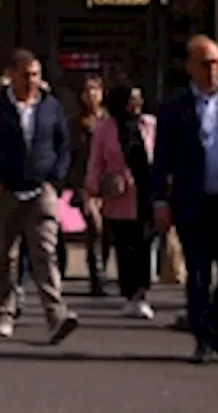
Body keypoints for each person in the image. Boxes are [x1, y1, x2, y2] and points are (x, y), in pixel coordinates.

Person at [0, 48, 78, 344]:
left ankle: (56, 315)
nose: (32, 82)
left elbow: (63, 146)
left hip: (41, 190)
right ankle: (3, 312)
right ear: (11, 76)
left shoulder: (50, 106)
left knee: (45, 253)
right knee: (6, 255)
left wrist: (55, 180)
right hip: (6, 191)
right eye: (26, 75)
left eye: (37, 76)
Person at [150, 35, 218, 364]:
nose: (212, 70)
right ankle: (203, 339)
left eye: (217, 63)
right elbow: (161, 159)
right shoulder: (175, 108)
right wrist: (160, 201)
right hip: (195, 203)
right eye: (204, 64)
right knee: (199, 274)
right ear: (190, 66)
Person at [85, 83, 156, 320]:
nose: (137, 104)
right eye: (132, 99)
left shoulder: (150, 125)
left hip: (146, 194)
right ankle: (129, 294)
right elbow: (95, 162)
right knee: (125, 246)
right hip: (119, 195)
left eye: (139, 99)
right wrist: (92, 190)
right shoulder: (105, 129)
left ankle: (142, 293)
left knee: (145, 243)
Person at [68, 74, 110, 295]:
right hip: (86, 183)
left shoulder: (109, 120)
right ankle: (97, 277)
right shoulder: (76, 124)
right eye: (87, 90)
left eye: (95, 89)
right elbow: (72, 156)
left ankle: (103, 271)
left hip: (109, 184)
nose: (92, 94)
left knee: (107, 231)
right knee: (95, 227)